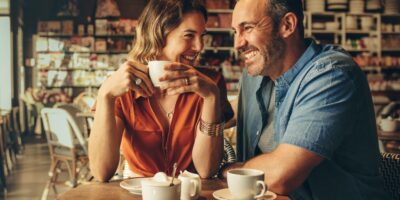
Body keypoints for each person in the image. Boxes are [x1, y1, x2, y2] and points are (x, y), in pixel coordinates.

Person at [225, 0, 389, 199]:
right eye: (235, 31)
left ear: (288, 25)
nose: (238, 43)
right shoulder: (255, 76)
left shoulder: (331, 75)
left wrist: (232, 170)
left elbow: (281, 176)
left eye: (248, 28)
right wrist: (208, 98)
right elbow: (226, 113)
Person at [89, 0, 233, 182]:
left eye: (202, 36)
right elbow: (101, 172)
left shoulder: (210, 84)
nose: (199, 46)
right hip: (138, 193)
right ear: (158, 34)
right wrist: (105, 95)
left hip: (191, 193)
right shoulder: (123, 87)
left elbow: (206, 169)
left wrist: (212, 97)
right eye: (189, 35)